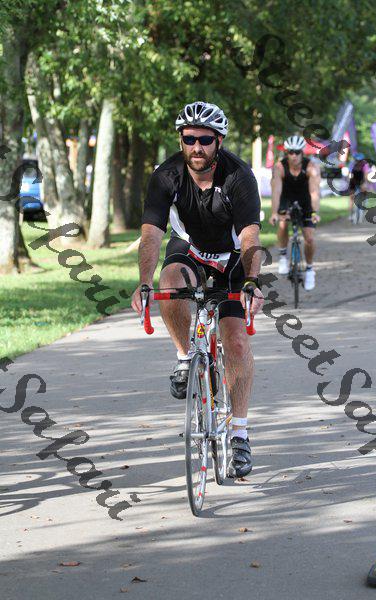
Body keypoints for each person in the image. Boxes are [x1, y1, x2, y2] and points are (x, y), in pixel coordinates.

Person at [131, 101, 264, 478]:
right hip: (188, 248)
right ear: (181, 140)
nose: (196, 147)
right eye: (189, 139)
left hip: (231, 258)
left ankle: (239, 435)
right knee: (169, 282)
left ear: (219, 141)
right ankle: (185, 356)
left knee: (235, 341)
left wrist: (252, 282)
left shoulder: (239, 176)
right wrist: (143, 283)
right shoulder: (166, 175)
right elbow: (151, 234)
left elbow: (250, 236)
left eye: (205, 140)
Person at [269, 135, 321, 291]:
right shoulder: (279, 167)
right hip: (286, 199)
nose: (294, 155)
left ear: (302, 152)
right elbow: (276, 191)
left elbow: (314, 192)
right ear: (286, 153)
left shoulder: (311, 167)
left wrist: (314, 212)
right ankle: (283, 255)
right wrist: (274, 213)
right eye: (290, 152)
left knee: (309, 238)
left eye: (297, 152)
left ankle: (310, 270)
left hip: (305, 200)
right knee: (283, 222)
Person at [348, 152, 368, 218]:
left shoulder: (365, 165)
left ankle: (364, 202)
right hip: (353, 180)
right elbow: (349, 174)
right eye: (357, 160)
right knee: (351, 197)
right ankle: (350, 213)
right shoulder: (352, 164)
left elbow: (365, 175)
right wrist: (350, 182)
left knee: (364, 189)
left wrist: (364, 183)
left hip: (361, 179)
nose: (358, 162)